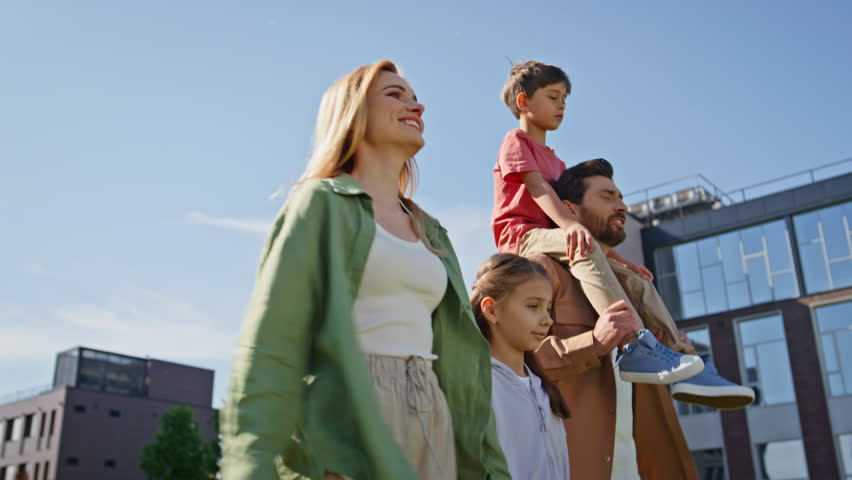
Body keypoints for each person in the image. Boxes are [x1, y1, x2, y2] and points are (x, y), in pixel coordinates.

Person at [221, 60, 511, 480]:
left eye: (415, 98)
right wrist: (249, 466)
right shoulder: (320, 203)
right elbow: (273, 340)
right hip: (350, 408)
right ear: (353, 111)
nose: (417, 106)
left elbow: (467, 365)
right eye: (395, 95)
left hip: (432, 407)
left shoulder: (433, 231)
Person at [529, 159, 753, 478]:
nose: (621, 206)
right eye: (607, 196)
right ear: (570, 209)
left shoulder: (630, 286)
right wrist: (594, 343)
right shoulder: (538, 271)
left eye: (621, 197)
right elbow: (507, 362)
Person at [491, 60, 702, 384]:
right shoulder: (516, 141)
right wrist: (571, 226)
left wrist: (618, 259)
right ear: (524, 102)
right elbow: (537, 188)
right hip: (522, 235)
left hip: (553, 235)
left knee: (637, 279)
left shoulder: (558, 162)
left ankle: (683, 356)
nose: (562, 105)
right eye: (553, 97)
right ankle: (633, 345)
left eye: (564, 99)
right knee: (580, 242)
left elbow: (569, 221)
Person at [470, 254, 571, 480]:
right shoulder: (478, 387)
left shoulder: (544, 388)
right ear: (491, 310)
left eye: (548, 307)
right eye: (533, 306)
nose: (547, 319)